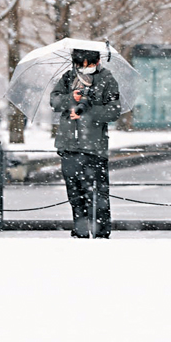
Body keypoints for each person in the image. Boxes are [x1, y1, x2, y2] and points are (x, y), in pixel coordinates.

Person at [49, 48, 121, 238]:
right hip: (69, 145)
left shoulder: (107, 79)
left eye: (89, 64)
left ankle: (101, 233)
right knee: (75, 194)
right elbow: (54, 101)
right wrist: (70, 99)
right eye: (81, 64)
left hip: (94, 148)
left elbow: (113, 111)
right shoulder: (68, 77)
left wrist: (88, 109)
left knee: (98, 195)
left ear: (97, 61)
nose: (85, 67)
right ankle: (80, 231)